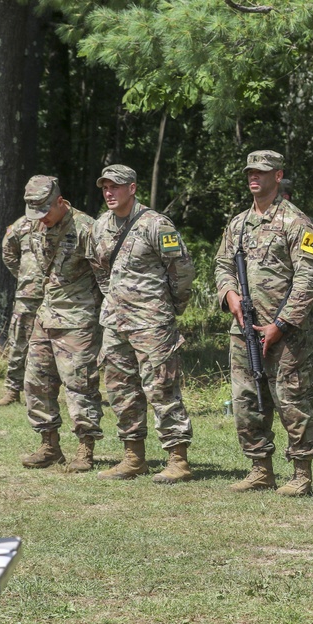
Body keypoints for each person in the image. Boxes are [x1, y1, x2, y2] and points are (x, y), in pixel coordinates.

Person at [215, 150, 313, 496]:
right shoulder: (238, 223)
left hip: (285, 333)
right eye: (250, 171)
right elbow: (222, 265)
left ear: (277, 176)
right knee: (246, 401)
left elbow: (309, 278)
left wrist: (281, 323)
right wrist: (229, 295)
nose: (254, 177)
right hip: (244, 329)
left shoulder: (297, 222)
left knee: (290, 400)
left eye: (262, 172)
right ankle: (260, 468)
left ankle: (301, 473)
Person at [90, 164, 195, 483]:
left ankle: (178, 460)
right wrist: (115, 297)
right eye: (105, 187)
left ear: (132, 188)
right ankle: (133, 457)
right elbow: (98, 267)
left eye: (116, 187)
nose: (109, 192)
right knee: (119, 388)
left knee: (161, 386)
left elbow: (182, 269)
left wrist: (168, 307)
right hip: (115, 321)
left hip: (152, 323)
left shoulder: (156, 225)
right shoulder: (100, 226)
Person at [15, 176, 104, 472]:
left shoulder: (87, 228)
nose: (41, 218)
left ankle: (84, 449)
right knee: (36, 382)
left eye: (45, 211)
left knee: (80, 384)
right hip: (46, 314)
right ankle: (49, 445)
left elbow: (105, 274)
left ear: (61, 202)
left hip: (78, 319)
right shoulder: (35, 226)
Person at [0, 214, 43, 407]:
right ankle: (12, 390)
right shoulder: (22, 224)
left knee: (58, 346)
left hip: (59, 295)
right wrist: (23, 274)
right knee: (19, 342)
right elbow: (7, 250)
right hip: (27, 295)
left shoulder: (64, 222)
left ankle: (54, 391)